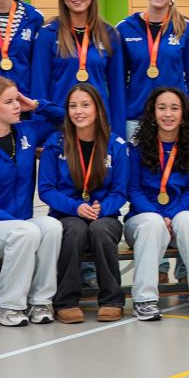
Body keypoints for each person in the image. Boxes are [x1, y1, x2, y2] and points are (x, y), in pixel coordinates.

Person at [0, 75, 61, 328]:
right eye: (9, 102)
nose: (17, 106)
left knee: (51, 226)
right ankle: (6, 305)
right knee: (27, 231)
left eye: (17, 100)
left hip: (20, 228)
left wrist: (35, 104)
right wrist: (16, 223)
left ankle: (40, 301)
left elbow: (64, 119)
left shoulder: (27, 132)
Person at [39, 83, 130, 323]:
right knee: (75, 230)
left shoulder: (116, 144)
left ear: (98, 109)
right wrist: (75, 207)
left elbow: (120, 191)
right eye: (72, 106)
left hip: (104, 214)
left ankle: (112, 300)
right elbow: (46, 189)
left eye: (85, 105)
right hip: (66, 214)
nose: (78, 111)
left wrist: (103, 208)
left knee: (101, 230)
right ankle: (66, 301)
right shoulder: (55, 143)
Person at [126, 87, 189, 319]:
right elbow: (133, 190)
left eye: (174, 108)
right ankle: (144, 299)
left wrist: (171, 215)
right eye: (162, 108)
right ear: (153, 112)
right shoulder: (137, 147)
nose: (168, 114)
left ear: (183, 114)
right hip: (142, 220)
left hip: (177, 216)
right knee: (152, 224)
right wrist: (158, 216)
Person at [31, 0, 125, 136]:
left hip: (98, 127)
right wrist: (40, 135)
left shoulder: (109, 34)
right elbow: (39, 88)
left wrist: (119, 136)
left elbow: (117, 91)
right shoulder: (48, 34)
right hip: (59, 126)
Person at [119, 0, 189, 135]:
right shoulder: (125, 28)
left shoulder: (184, 29)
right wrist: (118, 120)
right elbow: (117, 81)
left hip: (173, 119)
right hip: (136, 119)